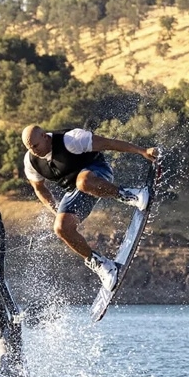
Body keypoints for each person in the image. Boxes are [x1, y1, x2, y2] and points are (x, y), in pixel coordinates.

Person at [21, 124, 159, 290]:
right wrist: (56, 210)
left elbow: (110, 143)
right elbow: (39, 189)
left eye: (35, 146)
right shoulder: (31, 161)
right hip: (75, 190)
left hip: (97, 173)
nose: (33, 150)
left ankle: (129, 195)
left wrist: (142, 151)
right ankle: (103, 265)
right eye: (29, 147)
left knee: (83, 182)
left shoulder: (71, 139)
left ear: (45, 136)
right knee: (61, 228)